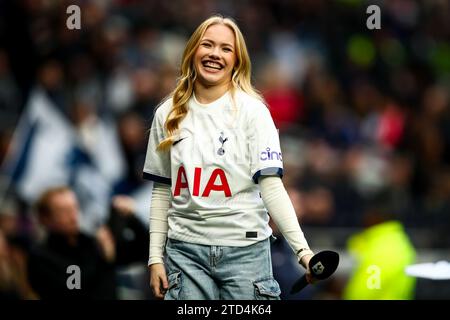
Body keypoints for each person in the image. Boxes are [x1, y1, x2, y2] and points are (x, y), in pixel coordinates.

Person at [144, 15, 315, 300]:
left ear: (237, 60)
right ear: (192, 52)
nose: (214, 54)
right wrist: (155, 258)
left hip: (246, 252)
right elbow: (162, 190)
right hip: (184, 251)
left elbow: (271, 187)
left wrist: (303, 252)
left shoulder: (254, 112)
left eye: (226, 48)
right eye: (207, 45)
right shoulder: (167, 113)